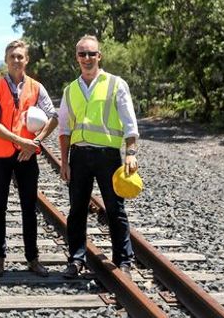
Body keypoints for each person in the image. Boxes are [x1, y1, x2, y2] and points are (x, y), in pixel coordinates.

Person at [58, 35, 139, 279]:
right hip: (79, 157)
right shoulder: (70, 90)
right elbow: (64, 129)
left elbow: (130, 124)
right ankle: (76, 259)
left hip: (108, 156)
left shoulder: (115, 84)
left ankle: (123, 260)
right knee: (77, 210)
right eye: (82, 54)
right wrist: (64, 162)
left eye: (91, 53)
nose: (87, 58)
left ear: (99, 56)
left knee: (115, 209)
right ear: (76, 58)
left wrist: (131, 153)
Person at [0, 39, 58, 277]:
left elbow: (53, 117)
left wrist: (35, 142)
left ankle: (33, 259)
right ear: (6, 60)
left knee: (29, 207)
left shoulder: (37, 88)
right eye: (12, 56)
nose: (16, 60)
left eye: (20, 56)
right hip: (1, 155)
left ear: (26, 60)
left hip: (27, 155)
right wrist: (20, 141)